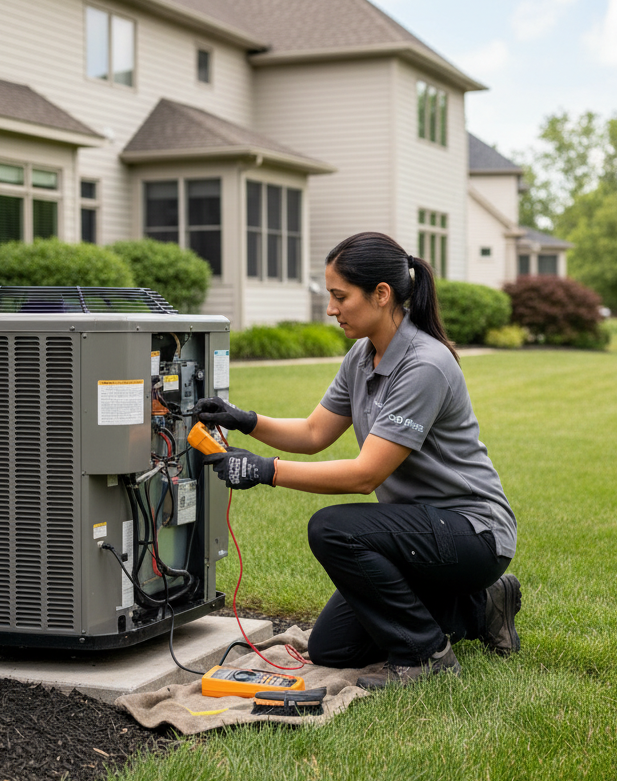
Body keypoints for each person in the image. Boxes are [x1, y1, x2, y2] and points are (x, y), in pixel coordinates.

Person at [195, 231, 520, 688]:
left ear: (381, 294)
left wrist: (265, 470)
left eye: (339, 296)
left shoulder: (424, 365)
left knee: (333, 529)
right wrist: (245, 419)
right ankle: (480, 607)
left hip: (472, 532)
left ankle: (427, 658)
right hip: (419, 533)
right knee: (333, 649)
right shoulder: (363, 355)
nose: (331, 309)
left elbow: (366, 475)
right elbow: (313, 433)